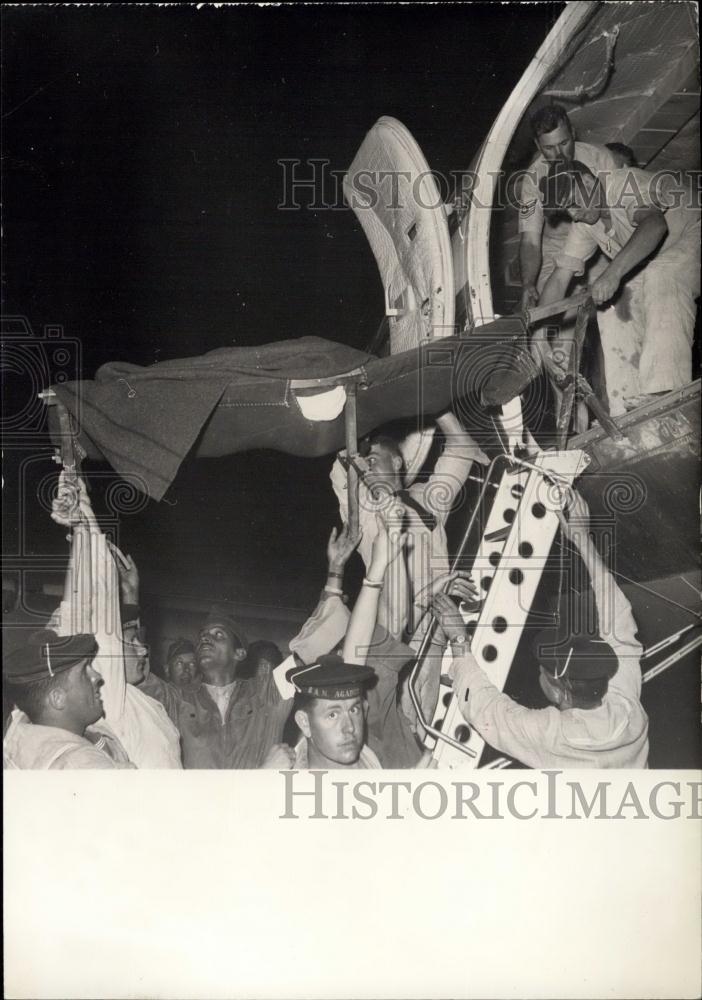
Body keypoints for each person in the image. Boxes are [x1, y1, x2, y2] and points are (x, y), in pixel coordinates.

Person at [432, 493, 649, 768]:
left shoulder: (552, 735)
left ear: (561, 693)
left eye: (544, 671)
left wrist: (458, 637)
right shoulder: (627, 709)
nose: (539, 671)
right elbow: (619, 620)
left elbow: (487, 710)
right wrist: (581, 538)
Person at [536, 160, 701, 413]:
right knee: (613, 304)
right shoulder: (586, 224)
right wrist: (537, 333)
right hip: (662, 256)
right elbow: (560, 278)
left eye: (572, 203)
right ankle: (626, 407)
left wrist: (612, 274)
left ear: (589, 182)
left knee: (661, 274)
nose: (572, 214)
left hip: (694, 231)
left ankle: (666, 392)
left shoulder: (622, 183)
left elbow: (655, 225)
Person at [330, 410, 488, 644]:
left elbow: (463, 447)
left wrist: (436, 405)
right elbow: (342, 467)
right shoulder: (363, 508)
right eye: (364, 462)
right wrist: (359, 450)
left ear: (396, 461)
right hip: (391, 632)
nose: (367, 466)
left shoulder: (426, 498)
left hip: (430, 634)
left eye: (372, 459)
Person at [518, 104, 618, 311]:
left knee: (612, 306)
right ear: (538, 145)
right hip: (555, 246)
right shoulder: (532, 179)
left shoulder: (600, 158)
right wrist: (528, 283)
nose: (559, 154)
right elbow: (530, 241)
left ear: (573, 133)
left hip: (596, 239)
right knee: (549, 315)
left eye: (564, 143)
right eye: (549, 147)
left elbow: (616, 214)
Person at [3, 630, 135, 769]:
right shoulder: (81, 765)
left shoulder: (24, 733)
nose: (97, 676)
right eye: (84, 671)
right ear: (58, 698)